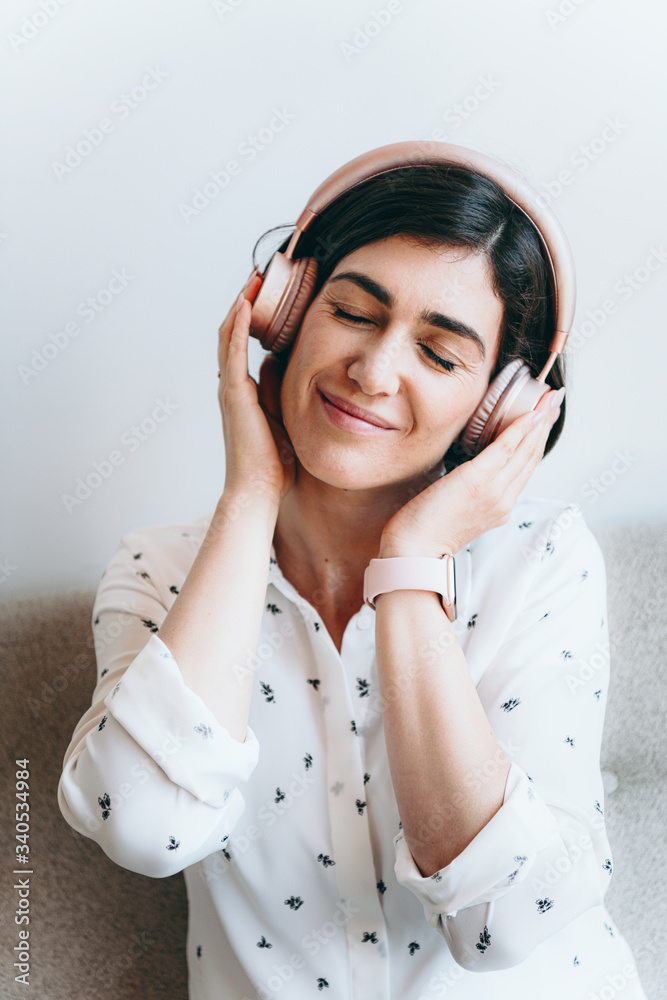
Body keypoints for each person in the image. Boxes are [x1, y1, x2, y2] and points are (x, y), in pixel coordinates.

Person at [58, 142, 647, 1000]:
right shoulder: (160, 568)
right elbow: (144, 829)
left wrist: (408, 572)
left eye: (440, 355)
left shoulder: (541, 560)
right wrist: (249, 497)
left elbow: (505, 923)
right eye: (352, 312)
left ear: (497, 410)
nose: (373, 372)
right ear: (285, 312)